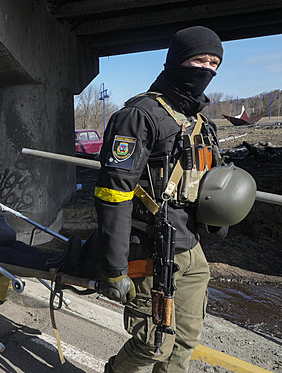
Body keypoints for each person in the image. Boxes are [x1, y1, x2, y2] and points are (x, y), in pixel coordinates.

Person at [91, 26, 227, 372]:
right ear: (177, 61)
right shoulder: (139, 116)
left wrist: (217, 218)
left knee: (185, 341)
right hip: (150, 249)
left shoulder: (198, 123)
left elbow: (209, 180)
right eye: (199, 60)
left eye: (214, 63)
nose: (207, 70)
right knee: (152, 345)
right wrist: (114, 267)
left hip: (191, 249)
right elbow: (112, 195)